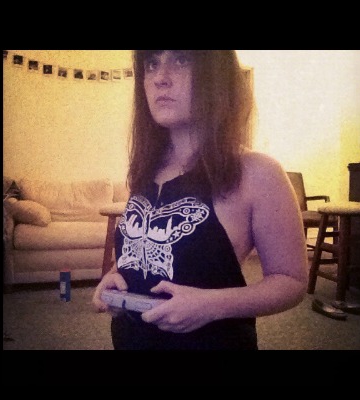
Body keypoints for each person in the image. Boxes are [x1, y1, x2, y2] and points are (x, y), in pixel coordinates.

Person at [92, 50, 308, 350]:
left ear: (217, 74)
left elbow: (291, 281)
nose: (160, 78)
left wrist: (210, 305)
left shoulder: (258, 172)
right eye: (152, 64)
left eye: (181, 60)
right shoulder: (146, 170)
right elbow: (147, 251)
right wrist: (115, 277)